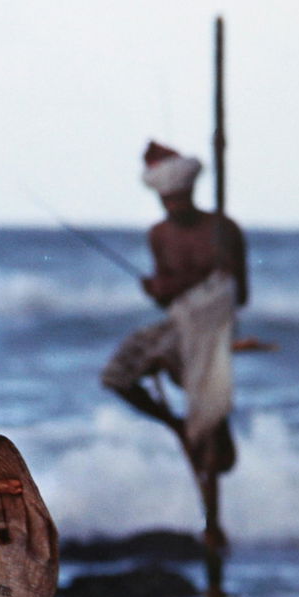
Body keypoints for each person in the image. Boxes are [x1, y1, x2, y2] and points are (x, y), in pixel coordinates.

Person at [100, 141, 247, 478]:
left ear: (191, 190)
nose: (174, 205)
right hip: (178, 321)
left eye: (179, 196)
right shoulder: (159, 235)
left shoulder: (223, 229)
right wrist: (158, 290)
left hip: (214, 323)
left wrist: (184, 287)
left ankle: (210, 435)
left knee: (178, 362)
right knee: (116, 375)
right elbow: (167, 298)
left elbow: (238, 294)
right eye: (167, 199)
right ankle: (177, 425)